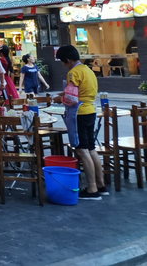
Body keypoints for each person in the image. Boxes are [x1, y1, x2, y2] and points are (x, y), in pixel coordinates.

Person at [54, 45, 106, 200]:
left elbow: (71, 98)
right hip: (90, 111)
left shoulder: (73, 73)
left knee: (82, 150)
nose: (63, 65)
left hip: (79, 113)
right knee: (91, 148)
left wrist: (59, 99)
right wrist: (64, 93)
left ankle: (91, 188)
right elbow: (80, 91)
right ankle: (100, 185)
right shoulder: (88, 71)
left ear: (68, 60)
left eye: (63, 62)